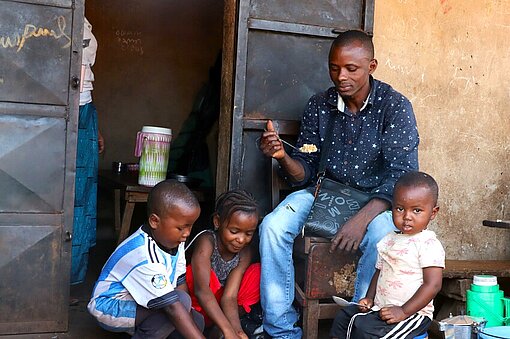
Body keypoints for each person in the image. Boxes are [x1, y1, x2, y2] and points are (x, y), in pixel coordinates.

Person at [258, 29, 419, 338]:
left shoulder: (395, 108)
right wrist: (281, 156)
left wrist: (360, 220)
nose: (341, 76)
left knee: (383, 235)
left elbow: (401, 176)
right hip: (323, 194)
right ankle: (280, 330)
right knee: (273, 226)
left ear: (371, 66)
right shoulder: (320, 105)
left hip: (377, 201)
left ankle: (356, 325)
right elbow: (304, 171)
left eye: (351, 69)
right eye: (334, 67)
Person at [330, 171, 444, 338]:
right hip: (382, 309)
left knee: (366, 331)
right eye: (400, 209)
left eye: (417, 211)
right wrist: (369, 298)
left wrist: (403, 311)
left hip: (413, 315)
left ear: (433, 213)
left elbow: (433, 285)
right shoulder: (389, 239)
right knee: (344, 318)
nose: (407, 217)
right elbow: (380, 271)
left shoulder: (428, 243)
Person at [87, 180, 205, 339]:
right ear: (155, 221)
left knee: (196, 321)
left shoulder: (175, 241)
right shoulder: (143, 253)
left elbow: (179, 283)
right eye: (181, 228)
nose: (186, 234)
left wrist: (187, 319)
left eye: (190, 227)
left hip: (141, 301)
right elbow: (172, 306)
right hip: (110, 306)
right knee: (180, 305)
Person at [186, 190, 262, 339]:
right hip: (197, 304)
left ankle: (219, 329)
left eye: (248, 234)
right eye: (234, 231)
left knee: (258, 272)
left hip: (225, 305)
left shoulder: (245, 252)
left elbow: (229, 296)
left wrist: (236, 331)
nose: (241, 239)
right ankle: (219, 328)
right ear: (217, 222)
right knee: (207, 278)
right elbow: (202, 290)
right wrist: (228, 331)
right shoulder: (207, 241)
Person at [71, 17, 105, 285]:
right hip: (64, 110)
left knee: (81, 197)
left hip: (84, 110)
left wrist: (93, 129)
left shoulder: (81, 17)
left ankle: (71, 280)